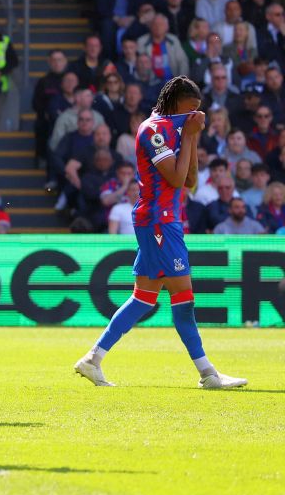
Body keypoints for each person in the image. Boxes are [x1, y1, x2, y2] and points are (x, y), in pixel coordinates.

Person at [74, 76, 246, 390]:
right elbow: (177, 179)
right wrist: (190, 136)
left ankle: (92, 360)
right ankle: (208, 373)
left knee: (143, 298)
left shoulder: (176, 131)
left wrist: (191, 138)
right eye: (191, 107)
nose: (195, 114)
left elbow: (190, 180)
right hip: (158, 221)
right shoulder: (154, 130)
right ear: (175, 102)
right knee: (184, 297)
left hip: (164, 219)